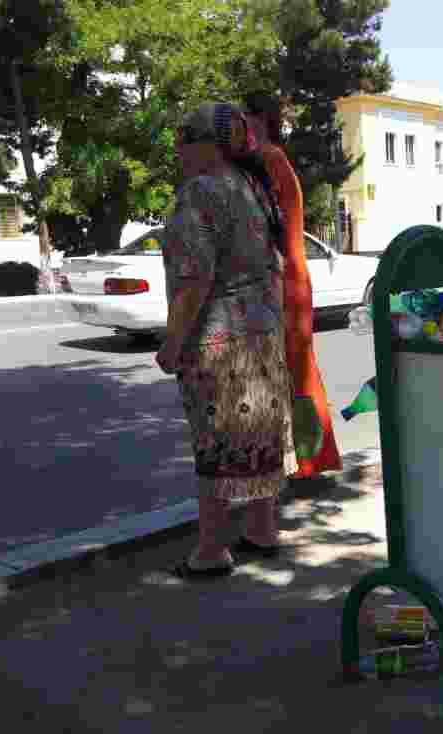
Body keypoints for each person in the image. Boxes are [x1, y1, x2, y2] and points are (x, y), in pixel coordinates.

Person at [156, 102, 296, 579]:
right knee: (258, 436)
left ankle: (212, 551)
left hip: (219, 341)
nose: (176, 151)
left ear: (201, 144)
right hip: (262, 335)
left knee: (216, 445)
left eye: (181, 140)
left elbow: (194, 278)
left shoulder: (200, 192)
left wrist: (172, 344)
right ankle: (262, 529)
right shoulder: (250, 186)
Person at [243, 92, 342, 478]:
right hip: (290, 276)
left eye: (243, 121)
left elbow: (273, 227)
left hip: (286, 278)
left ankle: (308, 460)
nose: (238, 131)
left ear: (260, 121)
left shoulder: (269, 159)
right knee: (298, 372)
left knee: (297, 374)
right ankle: (309, 459)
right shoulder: (270, 158)